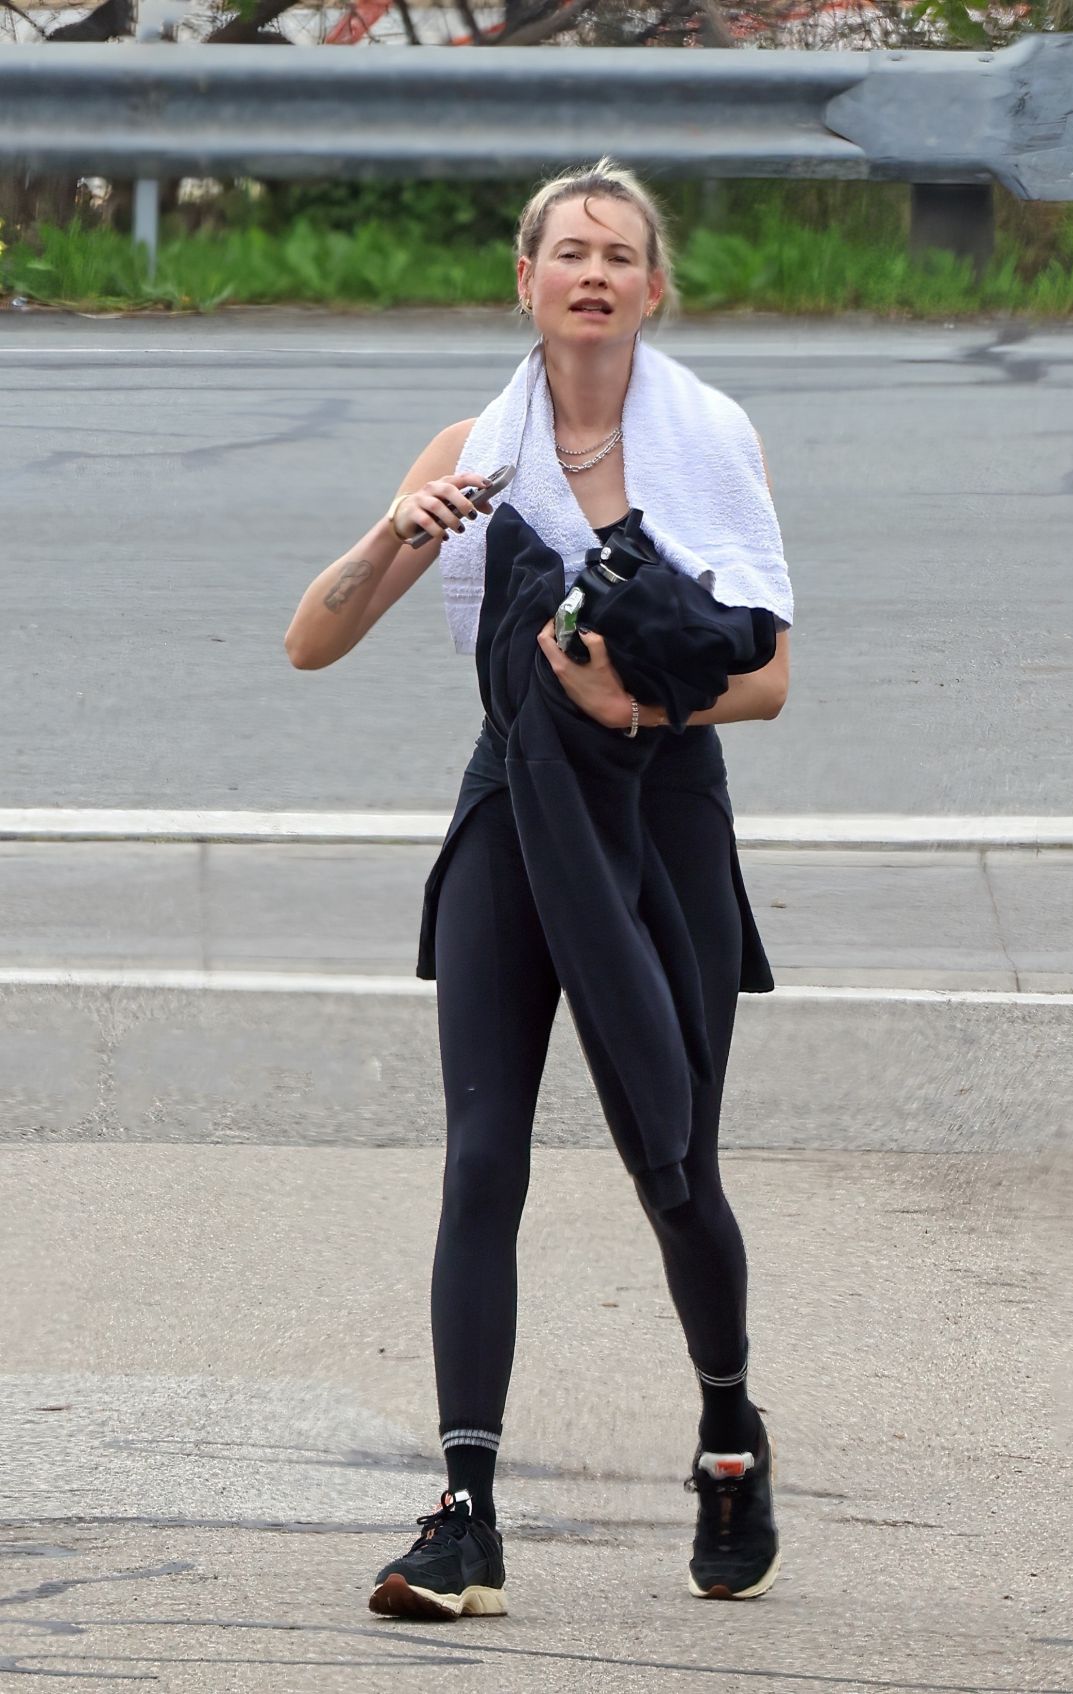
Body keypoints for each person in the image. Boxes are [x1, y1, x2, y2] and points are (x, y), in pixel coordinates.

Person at [284, 158, 793, 1620]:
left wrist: (636, 712)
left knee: (673, 1160)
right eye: (564, 248)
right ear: (525, 281)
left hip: (664, 809)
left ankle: (727, 1437)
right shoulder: (472, 449)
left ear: (650, 289)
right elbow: (310, 645)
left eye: (616, 252)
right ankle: (464, 1509)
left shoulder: (711, 442)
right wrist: (404, 528)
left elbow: (768, 677)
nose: (589, 269)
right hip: (514, 798)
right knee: (482, 1153)